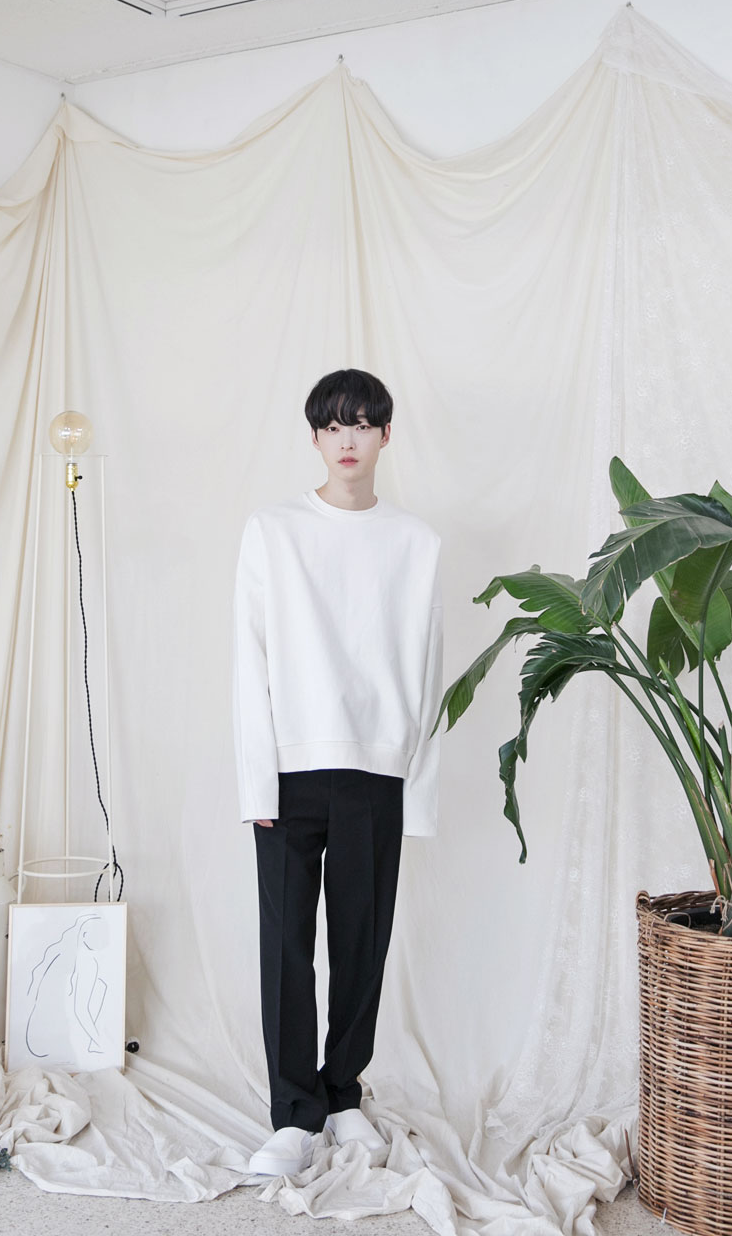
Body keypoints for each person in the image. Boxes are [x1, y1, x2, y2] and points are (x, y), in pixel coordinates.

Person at [232, 367, 443, 1177]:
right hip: (289, 770)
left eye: (361, 425)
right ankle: (294, 1114)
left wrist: (416, 790)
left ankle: (344, 1095)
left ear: (386, 435)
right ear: (315, 437)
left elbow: (428, 668)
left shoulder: (416, 542)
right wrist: (257, 781)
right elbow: (249, 663)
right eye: (332, 426)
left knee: (362, 943)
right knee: (286, 945)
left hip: (376, 770)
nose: (346, 440)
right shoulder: (272, 531)